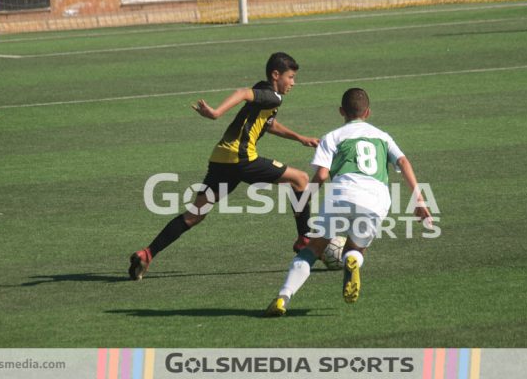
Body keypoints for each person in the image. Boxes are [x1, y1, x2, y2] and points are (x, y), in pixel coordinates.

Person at [128, 52, 319, 281]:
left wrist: (299, 137)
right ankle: (304, 238)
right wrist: (217, 113)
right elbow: (242, 93)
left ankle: (148, 253)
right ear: (276, 75)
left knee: (194, 214)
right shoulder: (271, 96)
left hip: (220, 159)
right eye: (291, 77)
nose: (293, 83)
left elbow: (268, 124)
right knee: (301, 180)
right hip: (242, 159)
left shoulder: (267, 94)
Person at [264, 87, 433, 316]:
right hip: (375, 199)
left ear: (341, 111)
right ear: (368, 112)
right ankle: (352, 260)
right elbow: (403, 162)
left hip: (341, 194)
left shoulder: (332, 137)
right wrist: (419, 200)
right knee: (356, 249)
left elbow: (322, 175)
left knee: (312, 249)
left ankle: (283, 297)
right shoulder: (382, 136)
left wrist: (305, 199)